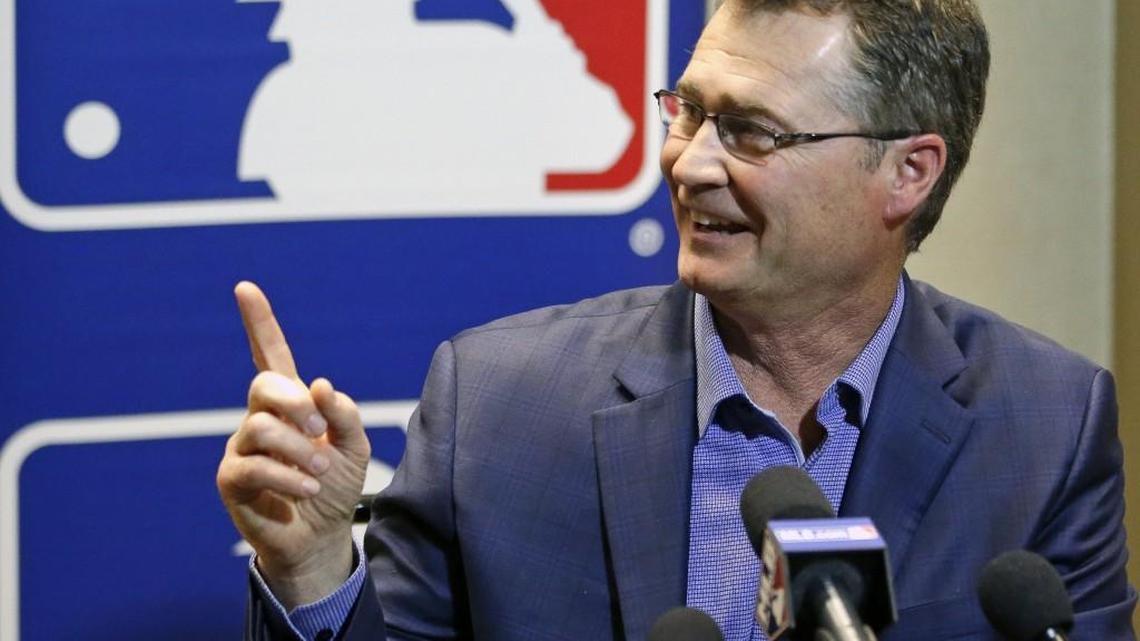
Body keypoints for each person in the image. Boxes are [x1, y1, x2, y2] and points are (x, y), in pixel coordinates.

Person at [217, 1, 1138, 639]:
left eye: (752, 131)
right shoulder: (498, 405)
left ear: (909, 173)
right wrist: (311, 572)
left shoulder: (1046, 424)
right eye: (688, 112)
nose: (689, 164)